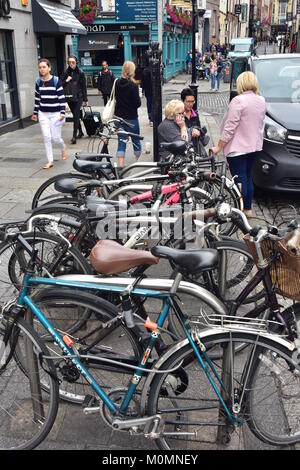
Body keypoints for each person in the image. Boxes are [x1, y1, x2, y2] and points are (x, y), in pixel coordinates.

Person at [212, 71, 266, 218]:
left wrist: (219, 146)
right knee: (248, 177)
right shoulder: (261, 100)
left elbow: (230, 127)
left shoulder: (238, 101)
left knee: (239, 180)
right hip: (254, 147)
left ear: (241, 83)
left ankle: (239, 210)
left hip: (238, 148)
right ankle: (247, 209)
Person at [32, 58, 67, 169]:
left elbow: (61, 98)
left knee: (56, 138)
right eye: (40, 67)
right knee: (46, 137)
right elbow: (37, 98)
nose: (41, 69)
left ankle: (63, 148)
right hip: (43, 113)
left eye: (44, 67)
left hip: (56, 113)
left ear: (49, 68)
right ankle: (50, 160)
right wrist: (35, 112)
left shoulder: (56, 81)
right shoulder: (38, 82)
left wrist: (62, 112)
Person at [114, 61, 142, 167]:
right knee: (136, 140)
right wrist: (139, 97)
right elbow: (137, 104)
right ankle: (138, 163)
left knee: (121, 141)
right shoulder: (133, 86)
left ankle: (121, 165)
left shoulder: (117, 82)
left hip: (118, 117)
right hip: (131, 118)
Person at [61, 55, 88, 144]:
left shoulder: (80, 73)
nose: (71, 64)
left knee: (76, 116)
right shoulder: (66, 73)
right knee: (75, 115)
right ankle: (80, 131)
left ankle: (74, 136)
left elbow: (84, 87)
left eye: (73, 62)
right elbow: (61, 85)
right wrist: (67, 80)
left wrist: (85, 99)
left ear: (76, 62)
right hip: (69, 97)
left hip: (78, 97)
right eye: (69, 62)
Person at [141, 60, 153, 126]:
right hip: (153, 91)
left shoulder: (145, 71)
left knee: (149, 105)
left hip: (148, 91)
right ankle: (152, 118)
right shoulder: (154, 70)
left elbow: (142, 83)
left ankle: (151, 119)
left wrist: (142, 91)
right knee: (153, 105)